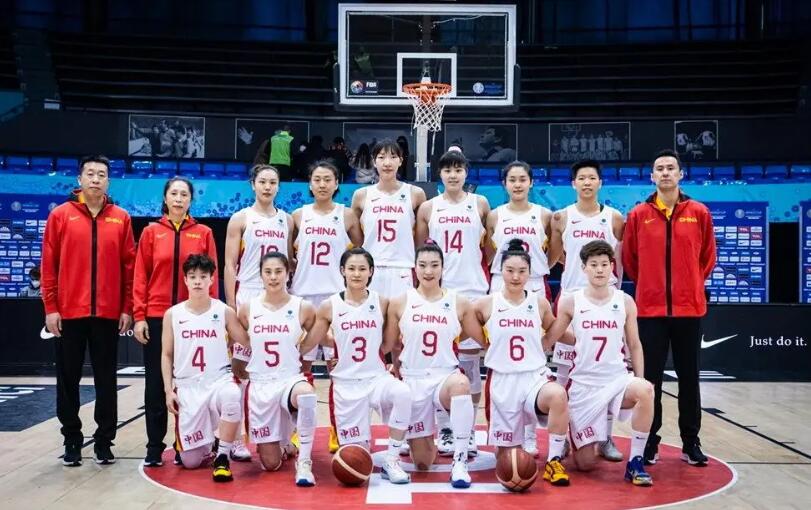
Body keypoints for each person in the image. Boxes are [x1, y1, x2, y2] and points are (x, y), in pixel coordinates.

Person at [622, 149, 716, 467]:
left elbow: (707, 257)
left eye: (670, 168)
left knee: (689, 379)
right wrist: (651, 286)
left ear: (680, 174)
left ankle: (691, 442)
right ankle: (650, 441)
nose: (665, 173)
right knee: (650, 382)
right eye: (659, 168)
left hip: (689, 310)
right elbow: (630, 260)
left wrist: (690, 284)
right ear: (652, 176)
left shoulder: (699, 212)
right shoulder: (639, 214)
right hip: (650, 311)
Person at [41, 155, 135, 466]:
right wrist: (51, 307)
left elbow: (129, 267)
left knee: (106, 381)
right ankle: (71, 439)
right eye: (90, 173)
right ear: (79, 179)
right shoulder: (60, 216)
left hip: (107, 315)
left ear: (109, 181)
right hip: (69, 314)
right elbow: (49, 265)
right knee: (67, 380)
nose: (96, 179)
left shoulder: (121, 218)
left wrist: (127, 307)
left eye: (102, 174)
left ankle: (104, 441)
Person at [545, 240, 654, 486]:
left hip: (616, 380)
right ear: (583, 268)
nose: (600, 270)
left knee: (645, 391)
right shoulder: (571, 301)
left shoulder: (625, 301)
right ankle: (581, 436)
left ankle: (636, 462)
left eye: (604, 264)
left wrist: (640, 377)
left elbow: (634, 344)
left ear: (612, 266)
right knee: (585, 464)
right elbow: (553, 336)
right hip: (583, 385)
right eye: (593, 265)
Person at [302, 247, 413, 485]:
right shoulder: (329, 306)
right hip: (346, 385)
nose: (356, 273)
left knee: (403, 393)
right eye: (351, 268)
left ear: (371, 271)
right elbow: (312, 341)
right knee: (356, 457)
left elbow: (388, 344)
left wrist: (396, 364)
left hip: (376, 379)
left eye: (362, 269)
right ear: (342, 270)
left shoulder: (382, 302)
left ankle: (392, 460)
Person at [133, 176, 219, 467]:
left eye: (184, 194)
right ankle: (154, 446)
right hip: (157, 317)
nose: (179, 199)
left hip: (193, 318)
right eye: (174, 193)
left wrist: (212, 315)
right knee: (157, 383)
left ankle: (188, 443)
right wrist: (139, 316)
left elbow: (212, 277)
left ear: (191, 200)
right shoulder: (151, 232)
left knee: (193, 383)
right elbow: (140, 276)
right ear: (165, 198)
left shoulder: (204, 233)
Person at [469, 239, 570, 487]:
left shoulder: (539, 303)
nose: (516, 276)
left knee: (558, 395)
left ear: (529, 273)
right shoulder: (486, 303)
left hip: (534, 377)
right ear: (500, 270)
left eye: (522, 271)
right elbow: (465, 326)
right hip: (502, 381)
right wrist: (487, 344)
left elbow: (555, 329)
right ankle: (520, 445)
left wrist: (575, 340)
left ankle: (554, 460)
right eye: (510, 270)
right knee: (507, 461)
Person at [547, 159, 625, 461]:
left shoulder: (614, 218)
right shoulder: (562, 217)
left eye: (592, 178)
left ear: (600, 182)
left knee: (606, 373)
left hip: (606, 302)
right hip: (572, 299)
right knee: (564, 373)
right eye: (582, 178)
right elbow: (556, 257)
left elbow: (619, 259)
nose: (587, 183)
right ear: (573, 183)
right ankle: (562, 436)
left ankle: (605, 437)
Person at [386, 242, 480, 488]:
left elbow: (483, 339)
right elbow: (391, 344)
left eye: (434, 265)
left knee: (462, 384)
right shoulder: (400, 302)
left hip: (444, 377)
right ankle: (424, 439)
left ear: (443, 268)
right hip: (413, 378)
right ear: (414, 268)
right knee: (423, 462)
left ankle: (460, 461)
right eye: (423, 265)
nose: (428, 271)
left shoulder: (459, 302)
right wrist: (394, 369)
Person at [415, 150, 489, 458]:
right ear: (440, 174)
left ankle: (467, 429)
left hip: (473, 289)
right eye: (448, 170)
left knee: (470, 365)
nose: (453, 175)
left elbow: (489, 248)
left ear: (466, 173)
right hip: (441, 292)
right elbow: (423, 251)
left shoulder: (480, 204)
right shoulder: (429, 207)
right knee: (441, 363)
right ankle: (445, 427)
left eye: (458, 169)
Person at [230, 251, 319, 486]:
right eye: (268, 272)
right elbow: (241, 342)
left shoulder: (303, 307)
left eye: (278, 271)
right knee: (270, 464)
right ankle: (284, 442)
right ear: (260, 275)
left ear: (288, 274)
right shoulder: (248, 309)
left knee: (306, 395)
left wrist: (313, 348)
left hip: (289, 379)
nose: (273, 277)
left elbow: (320, 333)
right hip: (261, 385)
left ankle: (304, 462)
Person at [484, 160, 553, 456]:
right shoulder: (494, 215)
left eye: (522, 179)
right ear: (504, 184)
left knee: (533, 358)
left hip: (533, 281)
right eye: (512, 179)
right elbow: (489, 252)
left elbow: (553, 253)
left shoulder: (545, 215)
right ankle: (502, 429)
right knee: (501, 355)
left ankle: (529, 433)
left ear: (531, 182)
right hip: (501, 282)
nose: (517, 184)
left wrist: (536, 270)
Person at [160, 254, 245, 482]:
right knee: (191, 462)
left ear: (211, 279)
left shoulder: (223, 311)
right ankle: (211, 443)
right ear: (185, 280)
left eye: (203, 276)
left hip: (217, 381)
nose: (198, 281)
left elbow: (246, 340)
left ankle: (223, 456)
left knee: (232, 394)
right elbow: (166, 355)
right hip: (188, 386)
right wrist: (168, 390)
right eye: (192, 276)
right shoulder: (173, 314)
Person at [291, 161, 362, 376]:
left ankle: (338, 398)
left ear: (336, 183)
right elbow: (287, 254)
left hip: (335, 294)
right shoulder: (298, 215)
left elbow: (359, 251)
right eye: (317, 180)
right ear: (310, 184)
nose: (322, 184)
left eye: (327, 180)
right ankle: (302, 397)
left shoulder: (347, 215)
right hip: (303, 293)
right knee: (302, 360)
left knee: (337, 359)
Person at [351, 139, 426, 299]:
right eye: (381, 157)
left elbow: (421, 239)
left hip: (403, 267)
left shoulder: (415, 193)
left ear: (401, 160)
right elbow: (356, 239)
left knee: (401, 315)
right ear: (374, 161)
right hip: (371, 267)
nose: (387, 163)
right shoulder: (361, 195)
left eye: (393, 157)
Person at [224, 165, 294, 313]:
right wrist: (230, 303)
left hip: (278, 289)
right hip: (249, 289)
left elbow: (289, 259)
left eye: (273, 183)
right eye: (262, 182)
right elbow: (230, 265)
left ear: (278, 187)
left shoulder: (287, 220)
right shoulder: (240, 219)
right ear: (253, 184)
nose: (267, 187)